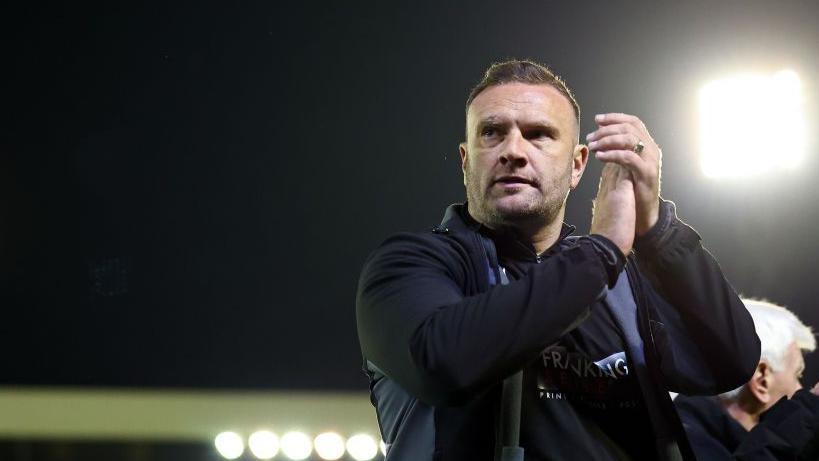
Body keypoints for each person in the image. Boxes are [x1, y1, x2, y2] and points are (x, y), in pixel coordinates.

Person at [355, 59, 760, 461]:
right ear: (465, 161)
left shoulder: (620, 283)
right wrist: (601, 252)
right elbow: (440, 365)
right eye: (492, 133)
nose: (513, 150)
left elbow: (728, 363)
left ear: (578, 164)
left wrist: (657, 230)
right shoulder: (410, 264)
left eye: (539, 134)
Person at [676, 299, 819, 459]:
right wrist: (810, 412)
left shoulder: (682, 432)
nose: (801, 389)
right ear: (762, 380)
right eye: (797, 374)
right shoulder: (684, 444)